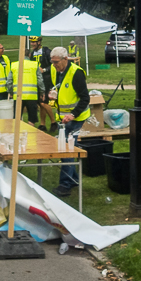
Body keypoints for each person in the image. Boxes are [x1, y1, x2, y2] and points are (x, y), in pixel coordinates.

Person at [47, 46, 90, 198]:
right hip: (63, 118)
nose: (54, 65)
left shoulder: (76, 73)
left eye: (56, 62)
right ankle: (73, 180)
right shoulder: (55, 70)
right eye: (52, 62)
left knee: (66, 150)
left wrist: (73, 114)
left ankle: (65, 184)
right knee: (66, 148)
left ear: (65, 59)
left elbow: (85, 98)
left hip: (76, 117)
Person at [10, 55, 39, 124]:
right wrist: (42, 91)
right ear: (29, 55)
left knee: (17, 118)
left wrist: (10, 91)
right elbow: (40, 80)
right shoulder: (34, 64)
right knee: (31, 119)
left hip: (18, 95)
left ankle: (18, 133)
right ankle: (31, 132)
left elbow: (9, 81)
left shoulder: (14, 65)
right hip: (31, 95)